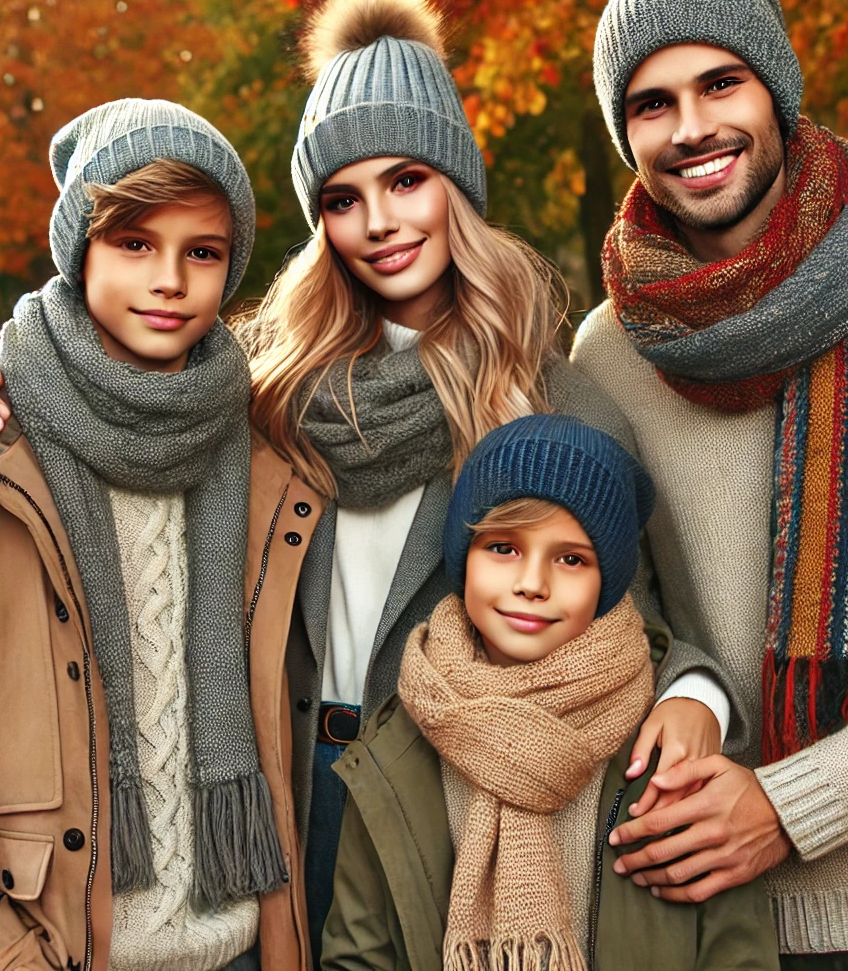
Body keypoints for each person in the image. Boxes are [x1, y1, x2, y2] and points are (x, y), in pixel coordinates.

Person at [240, 0, 742, 959]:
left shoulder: (552, 399)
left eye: (406, 181)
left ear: (456, 185)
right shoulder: (270, 398)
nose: (379, 223)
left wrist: (697, 697)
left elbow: (642, 623)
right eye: (343, 198)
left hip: (442, 806)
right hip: (287, 802)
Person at [571, 0, 848, 968]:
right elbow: (623, 615)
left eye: (721, 82)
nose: (690, 129)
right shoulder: (608, 354)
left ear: (776, 89)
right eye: (650, 103)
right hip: (713, 927)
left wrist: (791, 802)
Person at [0, 99, 318, 971]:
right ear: (77, 250)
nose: (170, 280)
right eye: (135, 243)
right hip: (59, 947)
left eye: (201, 252)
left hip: (243, 942)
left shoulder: (267, 450)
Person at [321, 414, 779, 971]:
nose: (532, 583)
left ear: (607, 583)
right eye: (503, 548)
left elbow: (737, 951)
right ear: (462, 560)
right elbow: (358, 954)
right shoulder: (398, 743)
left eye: (571, 559)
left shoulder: (669, 749)